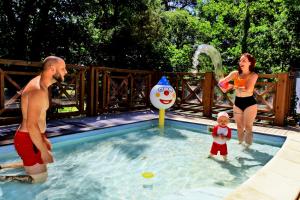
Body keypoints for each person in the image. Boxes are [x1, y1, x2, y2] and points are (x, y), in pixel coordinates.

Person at [0, 56, 67, 183]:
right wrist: (43, 151)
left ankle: (3, 167)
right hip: (27, 138)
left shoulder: (41, 84)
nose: (66, 72)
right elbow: (31, 125)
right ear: (52, 69)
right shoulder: (38, 90)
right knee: (40, 179)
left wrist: (43, 138)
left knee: (41, 168)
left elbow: (37, 119)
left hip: (34, 136)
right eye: (63, 68)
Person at [218, 53, 258, 147]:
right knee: (239, 127)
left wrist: (232, 86)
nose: (241, 62)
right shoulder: (234, 74)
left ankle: (248, 147)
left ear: (250, 63)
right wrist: (222, 84)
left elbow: (248, 89)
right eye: (240, 60)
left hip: (250, 103)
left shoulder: (253, 75)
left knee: (248, 127)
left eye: (244, 60)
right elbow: (222, 83)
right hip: (237, 102)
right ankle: (241, 146)